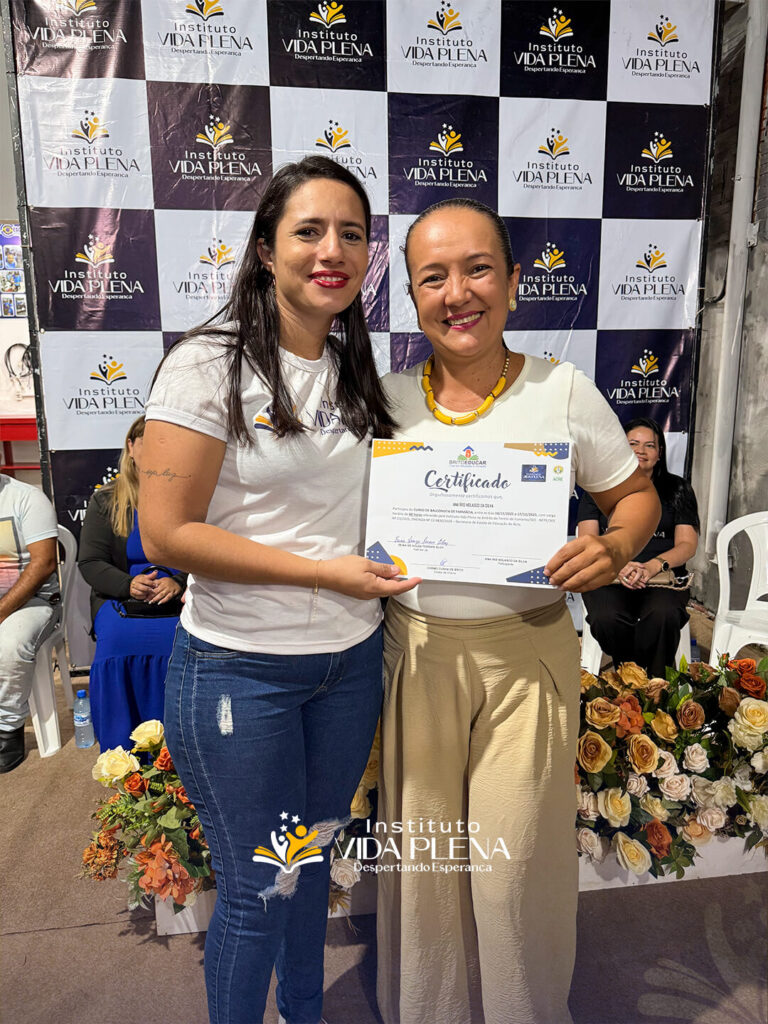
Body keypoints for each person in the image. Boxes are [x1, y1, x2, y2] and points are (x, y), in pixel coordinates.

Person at [139, 156, 417, 1024]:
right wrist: (323, 573)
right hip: (240, 671)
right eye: (309, 231)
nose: (333, 250)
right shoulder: (207, 364)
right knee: (260, 889)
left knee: (308, 869)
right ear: (266, 249)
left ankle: (304, 1013)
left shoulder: (355, 369)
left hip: (346, 666)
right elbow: (166, 534)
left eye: (352, 234)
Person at [375, 199, 661, 1024]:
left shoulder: (560, 389)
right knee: (424, 871)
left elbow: (635, 497)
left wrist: (614, 545)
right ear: (413, 296)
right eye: (433, 277)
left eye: (478, 270)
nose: (457, 293)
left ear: (511, 281)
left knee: (513, 878)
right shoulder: (385, 399)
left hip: (527, 658)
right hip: (415, 656)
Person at [78, 416, 187, 751]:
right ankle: (122, 758)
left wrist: (179, 581)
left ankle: (181, 750)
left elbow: (210, 553)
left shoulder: (190, 497)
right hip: (120, 600)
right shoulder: (106, 501)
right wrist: (129, 584)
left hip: (182, 602)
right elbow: (91, 563)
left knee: (184, 641)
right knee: (117, 642)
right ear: (131, 446)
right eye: (148, 442)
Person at [577, 416, 699, 678]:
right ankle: (634, 680)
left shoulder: (678, 489)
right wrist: (618, 565)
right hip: (610, 576)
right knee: (607, 618)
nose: (641, 451)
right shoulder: (598, 489)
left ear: (659, 453)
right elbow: (587, 540)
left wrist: (653, 566)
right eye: (632, 444)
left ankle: (650, 687)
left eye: (649, 445)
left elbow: (687, 544)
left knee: (663, 615)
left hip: (661, 578)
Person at [0, 473, 59, 772]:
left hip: (33, 600)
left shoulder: (26, 498)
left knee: (10, 643)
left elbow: (44, 563)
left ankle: (6, 729)